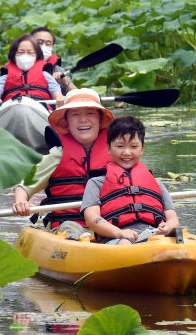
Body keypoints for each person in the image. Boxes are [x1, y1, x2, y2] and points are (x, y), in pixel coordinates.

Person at [11, 88, 114, 238]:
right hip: (69, 227)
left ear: (100, 119)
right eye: (76, 114)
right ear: (66, 122)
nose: (83, 119)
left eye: (90, 113)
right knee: (71, 229)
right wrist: (21, 202)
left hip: (109, 224)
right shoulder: (56, 155)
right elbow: (24, 187)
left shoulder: (116, 153)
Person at [82, 116, 180, 245]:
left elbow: (173, 219)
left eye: (133, 146)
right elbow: (91, 218)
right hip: (116, 238)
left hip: (154, 237)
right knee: (125, 243)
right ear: (109, 148)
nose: (127, 152)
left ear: (142, 149)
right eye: (120, 146)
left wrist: (167, 228)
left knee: (178, 240)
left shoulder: (157, 184)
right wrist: (119, 232)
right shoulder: (96, 183)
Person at [0, 34, 64, 112]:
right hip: (11, 109)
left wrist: (60, 98)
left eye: (30, 52)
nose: (25, 55)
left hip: (41, 109)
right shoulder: (4, 78)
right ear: (14, 55)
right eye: (21, 52)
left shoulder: (46, 76)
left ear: (37, 56)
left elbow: (58, 95)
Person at [31, 27, 77, 94]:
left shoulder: (56, 69)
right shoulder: (18, 66)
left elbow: (78, 95)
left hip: (51, 103)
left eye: (48, 44)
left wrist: (65, 82)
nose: (44, 46)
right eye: (39, 42)